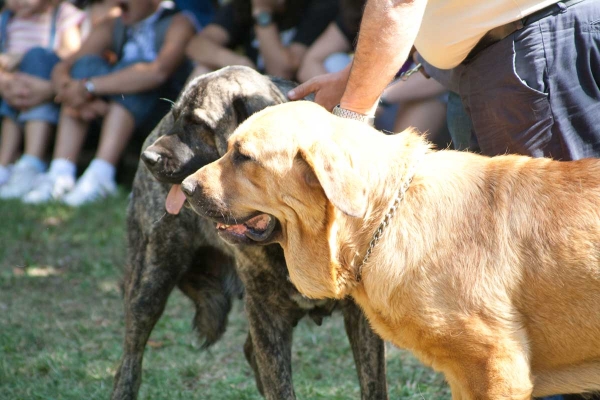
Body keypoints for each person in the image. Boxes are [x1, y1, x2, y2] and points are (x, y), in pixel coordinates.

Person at [289, 1, 600, 399]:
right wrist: (356, 76)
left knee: (567, 298)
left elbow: (396, 4)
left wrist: (348, 126)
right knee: (495, 323)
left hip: (526, 53)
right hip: (487, 63)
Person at [289, 0, 600, 162]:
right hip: (507, 61)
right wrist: (349, 80)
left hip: (533, 50)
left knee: (556, 233)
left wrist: (350, 121)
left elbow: (399, 5)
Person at [22, 0, 196, 206]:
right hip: (104, 110)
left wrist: (88, 87)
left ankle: (102, 173)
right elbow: (68, 65)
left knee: (135, 71)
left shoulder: (179, 22)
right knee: (86, 64)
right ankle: (60, 172)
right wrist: (71, 90)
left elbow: (157, 73)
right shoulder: (113, 24)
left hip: (156, 114)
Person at [0, 0, 85, 195]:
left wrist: (22, 57)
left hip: (47, 89)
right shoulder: (6, 18)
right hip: (13, 89)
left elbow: (71, 54)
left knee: (36, 57)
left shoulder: (62, 14)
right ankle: (4, 164)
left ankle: (32, 160)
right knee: (17, 91)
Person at [185, 0, 338, 80]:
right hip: (252, 87)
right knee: (203, 69)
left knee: (336, 60)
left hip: (291, 98)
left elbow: (282, 71)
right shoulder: (242, 6)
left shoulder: (317, 6)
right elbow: (196, 45)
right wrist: (237, 62)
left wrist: (262, 12)